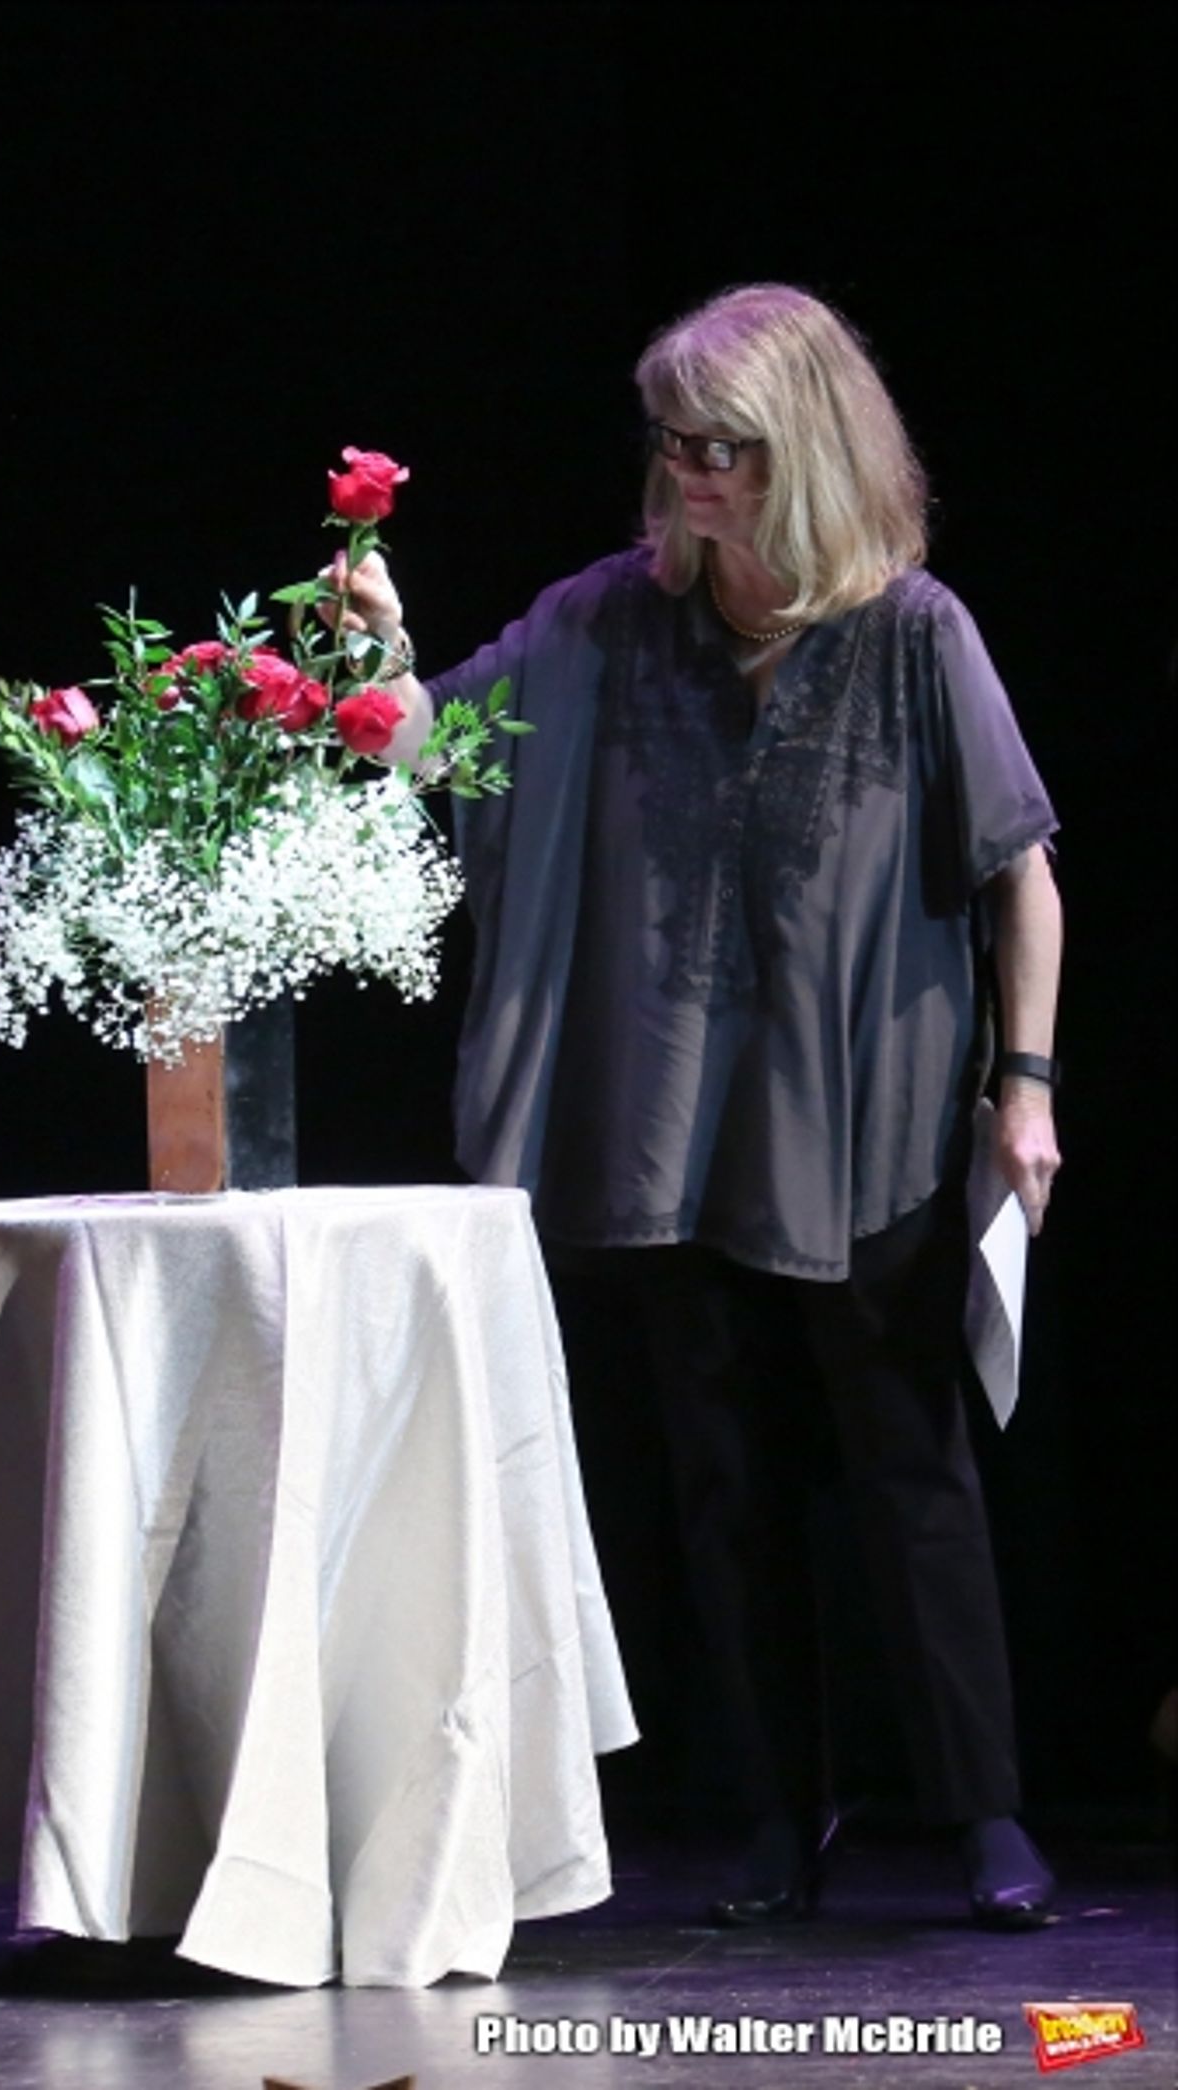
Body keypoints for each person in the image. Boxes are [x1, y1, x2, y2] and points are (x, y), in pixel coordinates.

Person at [337, 283, 1062, 1930]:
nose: (688, 476)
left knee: (906, 1469)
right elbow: (447, 747)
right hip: (669, 1130)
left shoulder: (912, 634)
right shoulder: (611, 619)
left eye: (723, 448)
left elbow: (1024, 871)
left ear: (800, 454)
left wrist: (1026, 1085)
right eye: (672, 446)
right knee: (721, 1481)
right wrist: (378, 653)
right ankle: (766, 1811)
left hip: (861, 1126)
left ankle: (983, 1811)